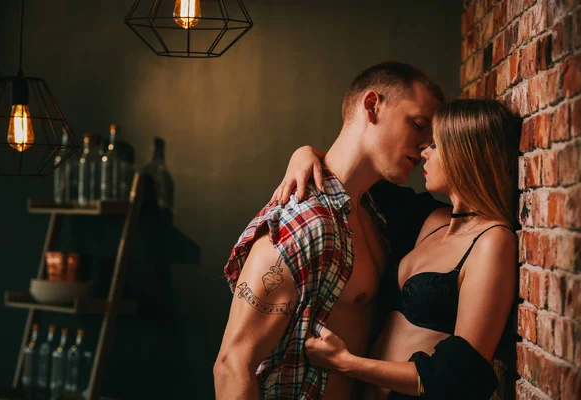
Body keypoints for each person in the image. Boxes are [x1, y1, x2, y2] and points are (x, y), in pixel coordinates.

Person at [213, 61, 447, 400]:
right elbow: (232, 365)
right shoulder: (301, 226)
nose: (426, 145)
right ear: (372, 106)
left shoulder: (375, 212)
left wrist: (307, 152)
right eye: (418, 124)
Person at [272, 98, 520, 399]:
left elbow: (461, 374)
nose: (423, 153)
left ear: (464, 154)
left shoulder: (493, 241)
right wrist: (305, 153)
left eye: (435, 145)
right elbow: (351, 179)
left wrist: (347, 364)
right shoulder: (431, 219)